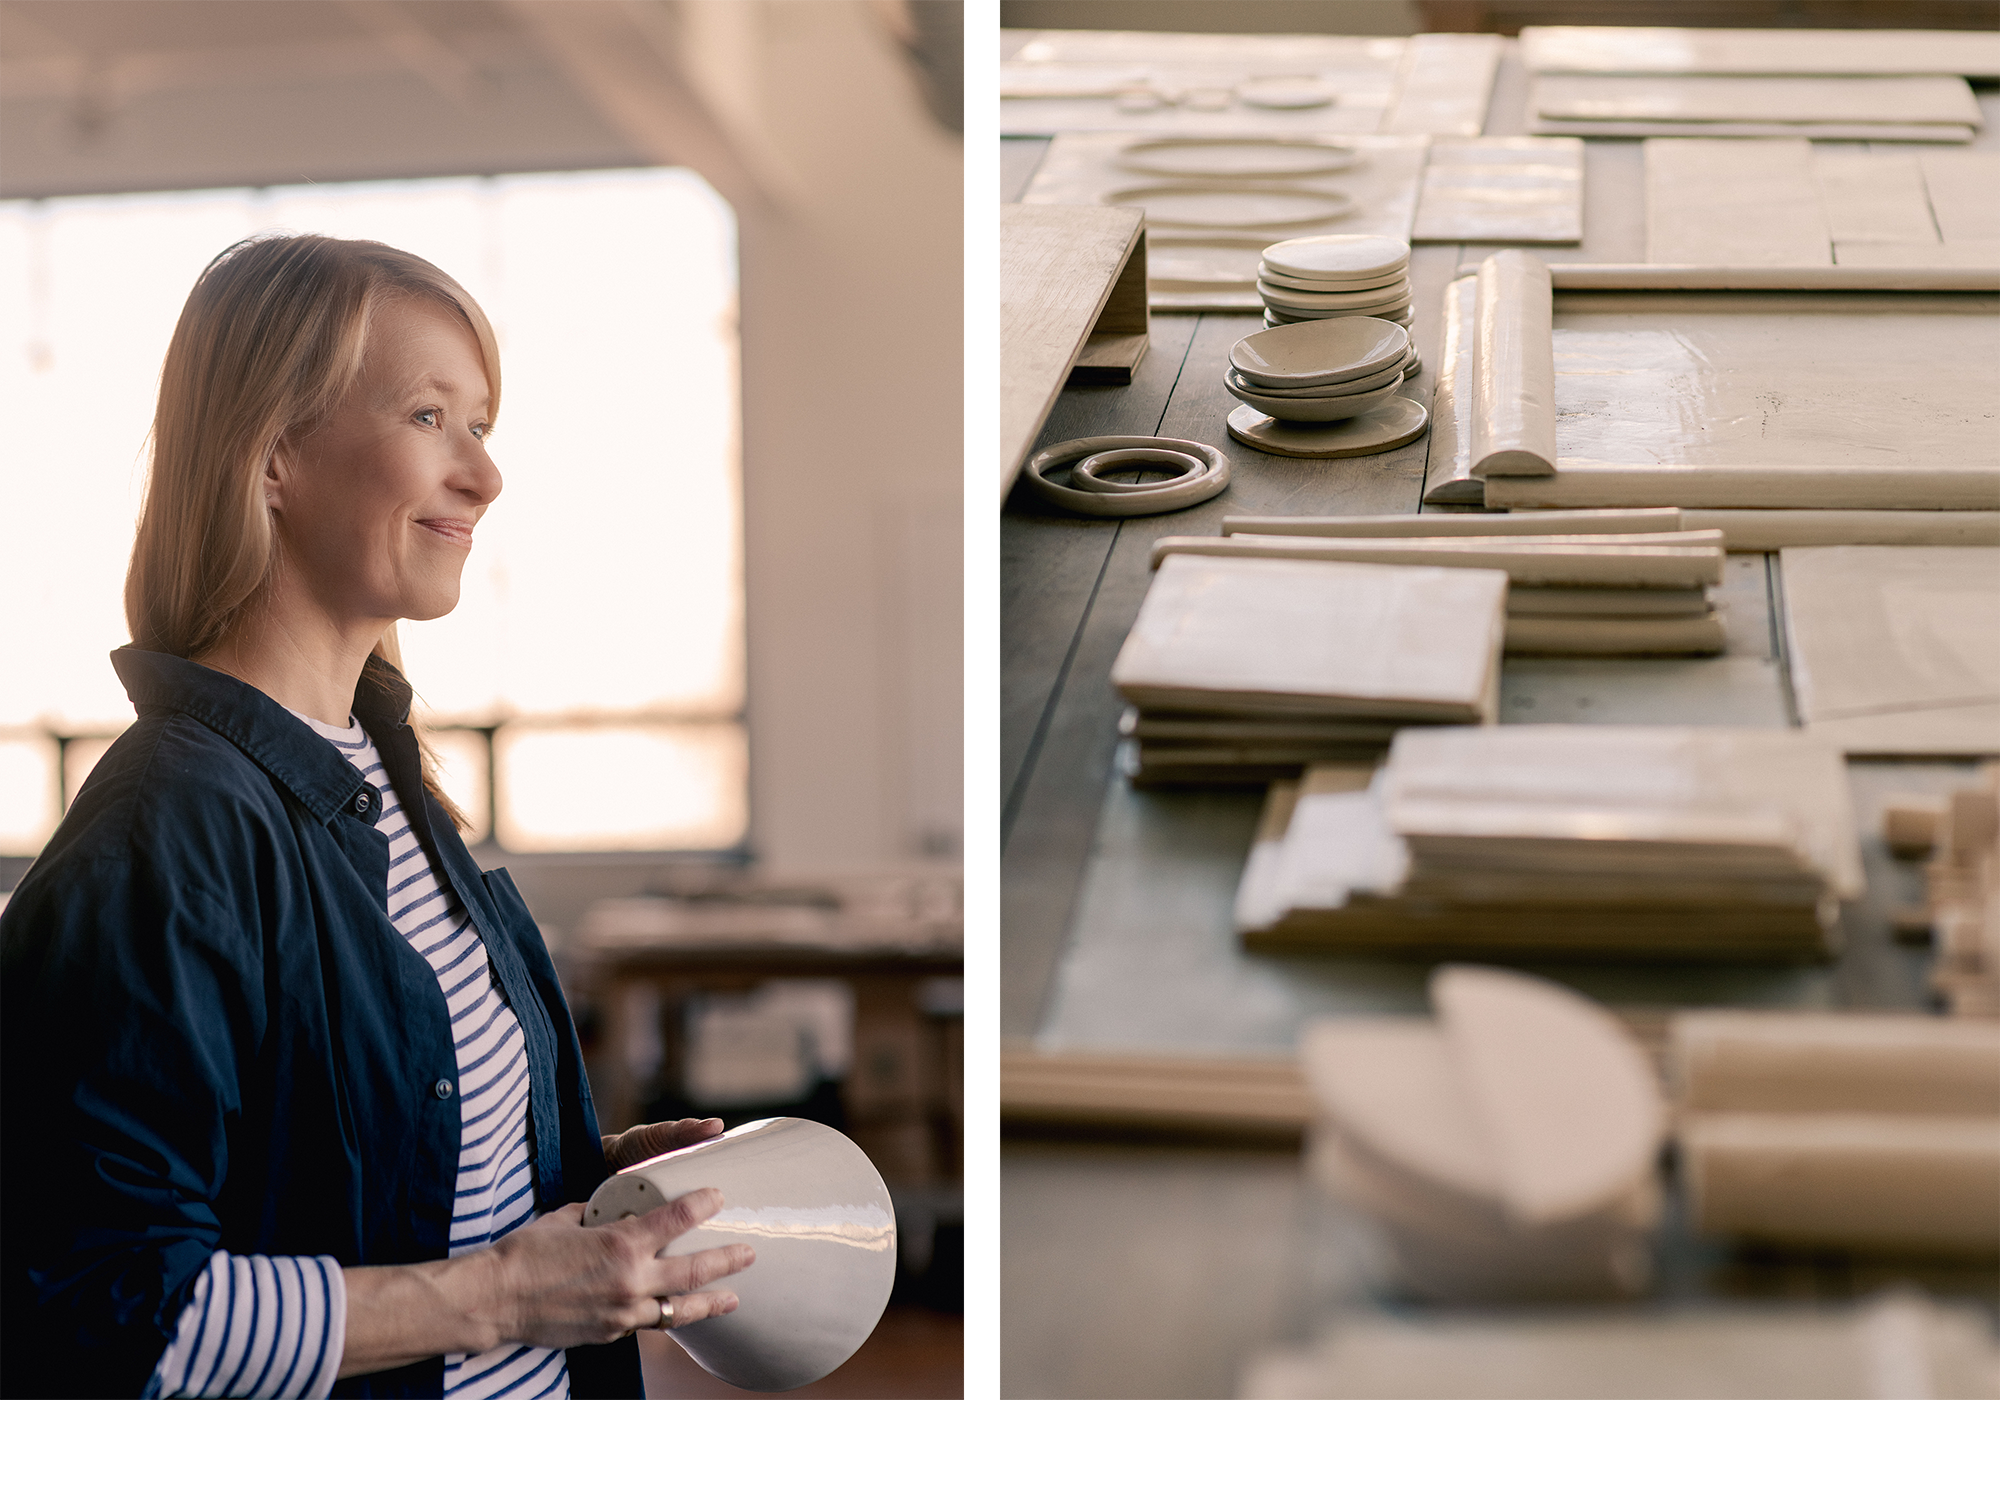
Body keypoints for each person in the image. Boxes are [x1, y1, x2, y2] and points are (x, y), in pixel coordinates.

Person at [0, 233, 752, 1399]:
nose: (484, 476)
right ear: (272, 457)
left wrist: (566, 1181)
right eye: (427, 417)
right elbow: (103, 1306)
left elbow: (345, 1166)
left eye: (483, 426)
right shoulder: (168, 830)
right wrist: (503, 1294)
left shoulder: (386, 778)